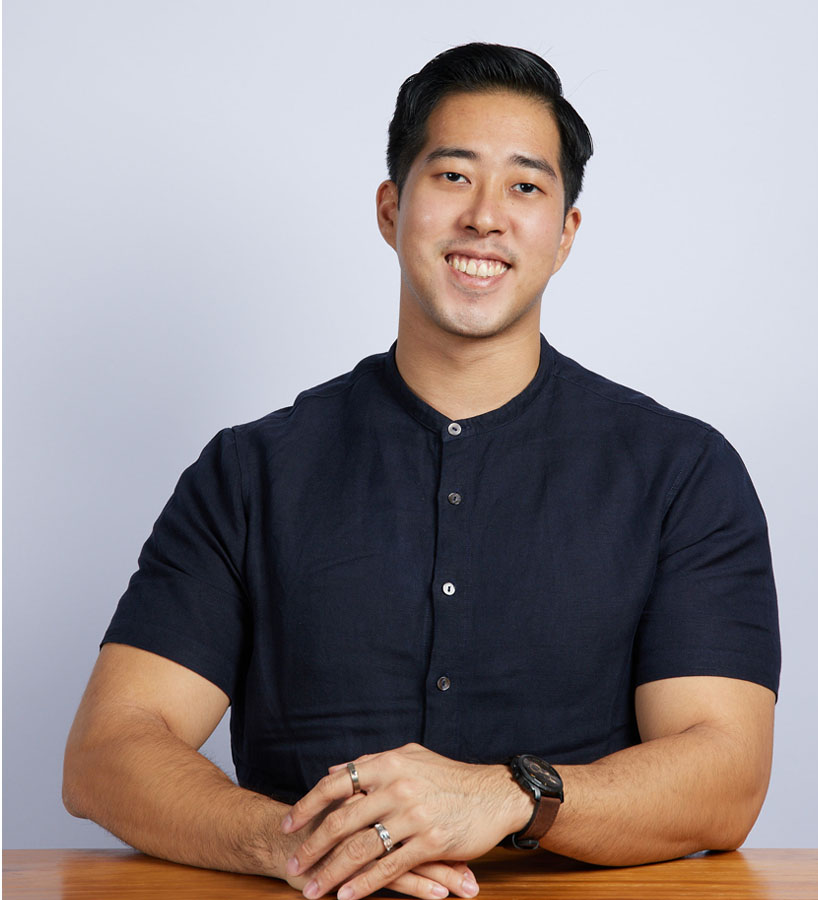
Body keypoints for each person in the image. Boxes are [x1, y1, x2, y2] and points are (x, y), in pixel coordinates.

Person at [63, 43, 780, 900]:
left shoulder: (682, 473)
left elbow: (728, 776)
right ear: (390, 208)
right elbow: (108, 751)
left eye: (526, 187)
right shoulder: (249, 472)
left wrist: (509, 796)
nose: (485, 217)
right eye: (452, 177)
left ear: (564, 235)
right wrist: (298, 845)